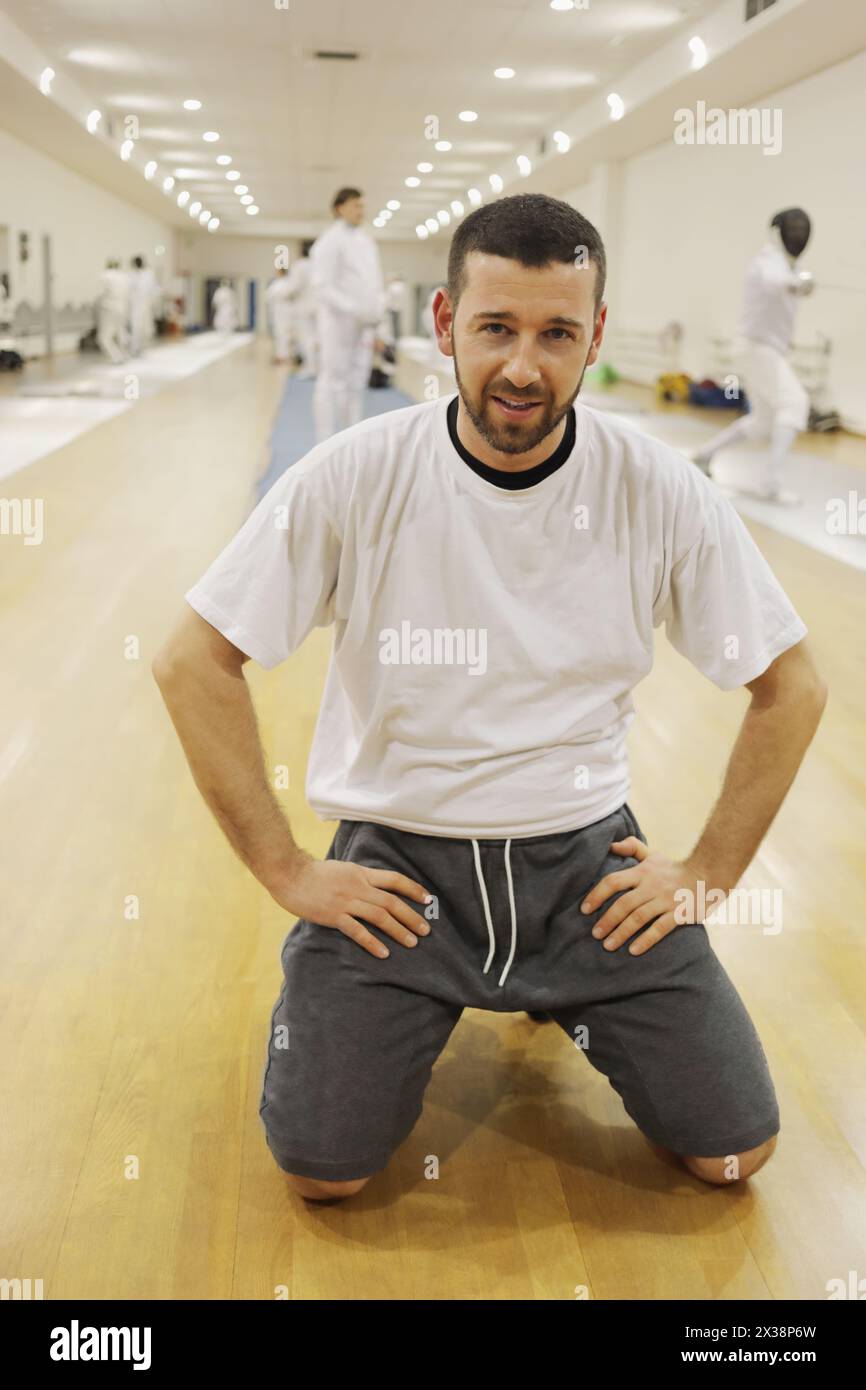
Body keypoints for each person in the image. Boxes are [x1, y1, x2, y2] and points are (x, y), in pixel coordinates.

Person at [153, 192, 827, 1203]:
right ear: (442, 324)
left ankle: (563, 993)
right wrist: (289, 870)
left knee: (731, 1155)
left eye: (556, 334)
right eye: (494, 329)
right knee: (322, 1172)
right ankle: (429, 1000)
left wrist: (703, 875)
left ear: (593, 335)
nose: (523, 366)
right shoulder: (354, 475)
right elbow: (190, 661)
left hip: (585, 867)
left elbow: (791, 688)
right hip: (399, 872)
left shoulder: (658, 488)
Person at [692, 209, 815, 503]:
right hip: (756, 348)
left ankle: (703, 455)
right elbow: (773, 282)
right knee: (795, 402)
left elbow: (778, 303)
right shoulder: (767, 261)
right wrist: (799, 283)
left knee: (762, 423)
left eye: (802, 229)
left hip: (764, 348)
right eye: (793, 229)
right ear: (778, 231)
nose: (798, 235)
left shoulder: (788, 267)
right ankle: (771, 483)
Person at [309, 187, 385, 441]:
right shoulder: (329, 241)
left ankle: (352, 440)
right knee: (332, 380)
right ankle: (324, 443)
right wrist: (353, 309)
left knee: (356, 381)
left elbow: (372, 282)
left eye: (362, 206)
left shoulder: (366, 241)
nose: (360, 211)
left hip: (364, 323)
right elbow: (321, 287)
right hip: (338, 322)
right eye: (355, 205)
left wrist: (375, 311)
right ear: (339, 208)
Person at [285, 240, 318, 378]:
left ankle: (311, 367)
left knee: (306, 339)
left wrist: (286, 295)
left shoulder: (299, 266)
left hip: (304, 307)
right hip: (319, 307)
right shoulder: (318, 265)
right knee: (318, 338)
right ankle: (317, 366)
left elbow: (293, 287)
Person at [97, 259, 130, 364]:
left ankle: (117, 357)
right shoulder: (125, 277)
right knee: (121, 332)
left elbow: (101, 293)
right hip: (122, 308)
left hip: (109, 308)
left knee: (104, 337)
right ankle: (124, 355)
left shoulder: (106, 275)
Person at [128, 255, 160, 356]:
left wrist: (154, 301)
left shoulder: (149, 274)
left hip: (145, 304)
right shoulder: (131, 275)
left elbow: (154, 289)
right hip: (135, 305)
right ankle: (135, 348)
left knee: (145, 328)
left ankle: (139, 347)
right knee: (135, 326)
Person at [265, 268, 293, 364]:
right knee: (286, 334)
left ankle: (282, 355)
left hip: (281, 313)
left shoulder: (277, 284)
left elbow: (268, 297)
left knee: (281, 334)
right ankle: (285, 355)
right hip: (287, 313)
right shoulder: (289, 283)